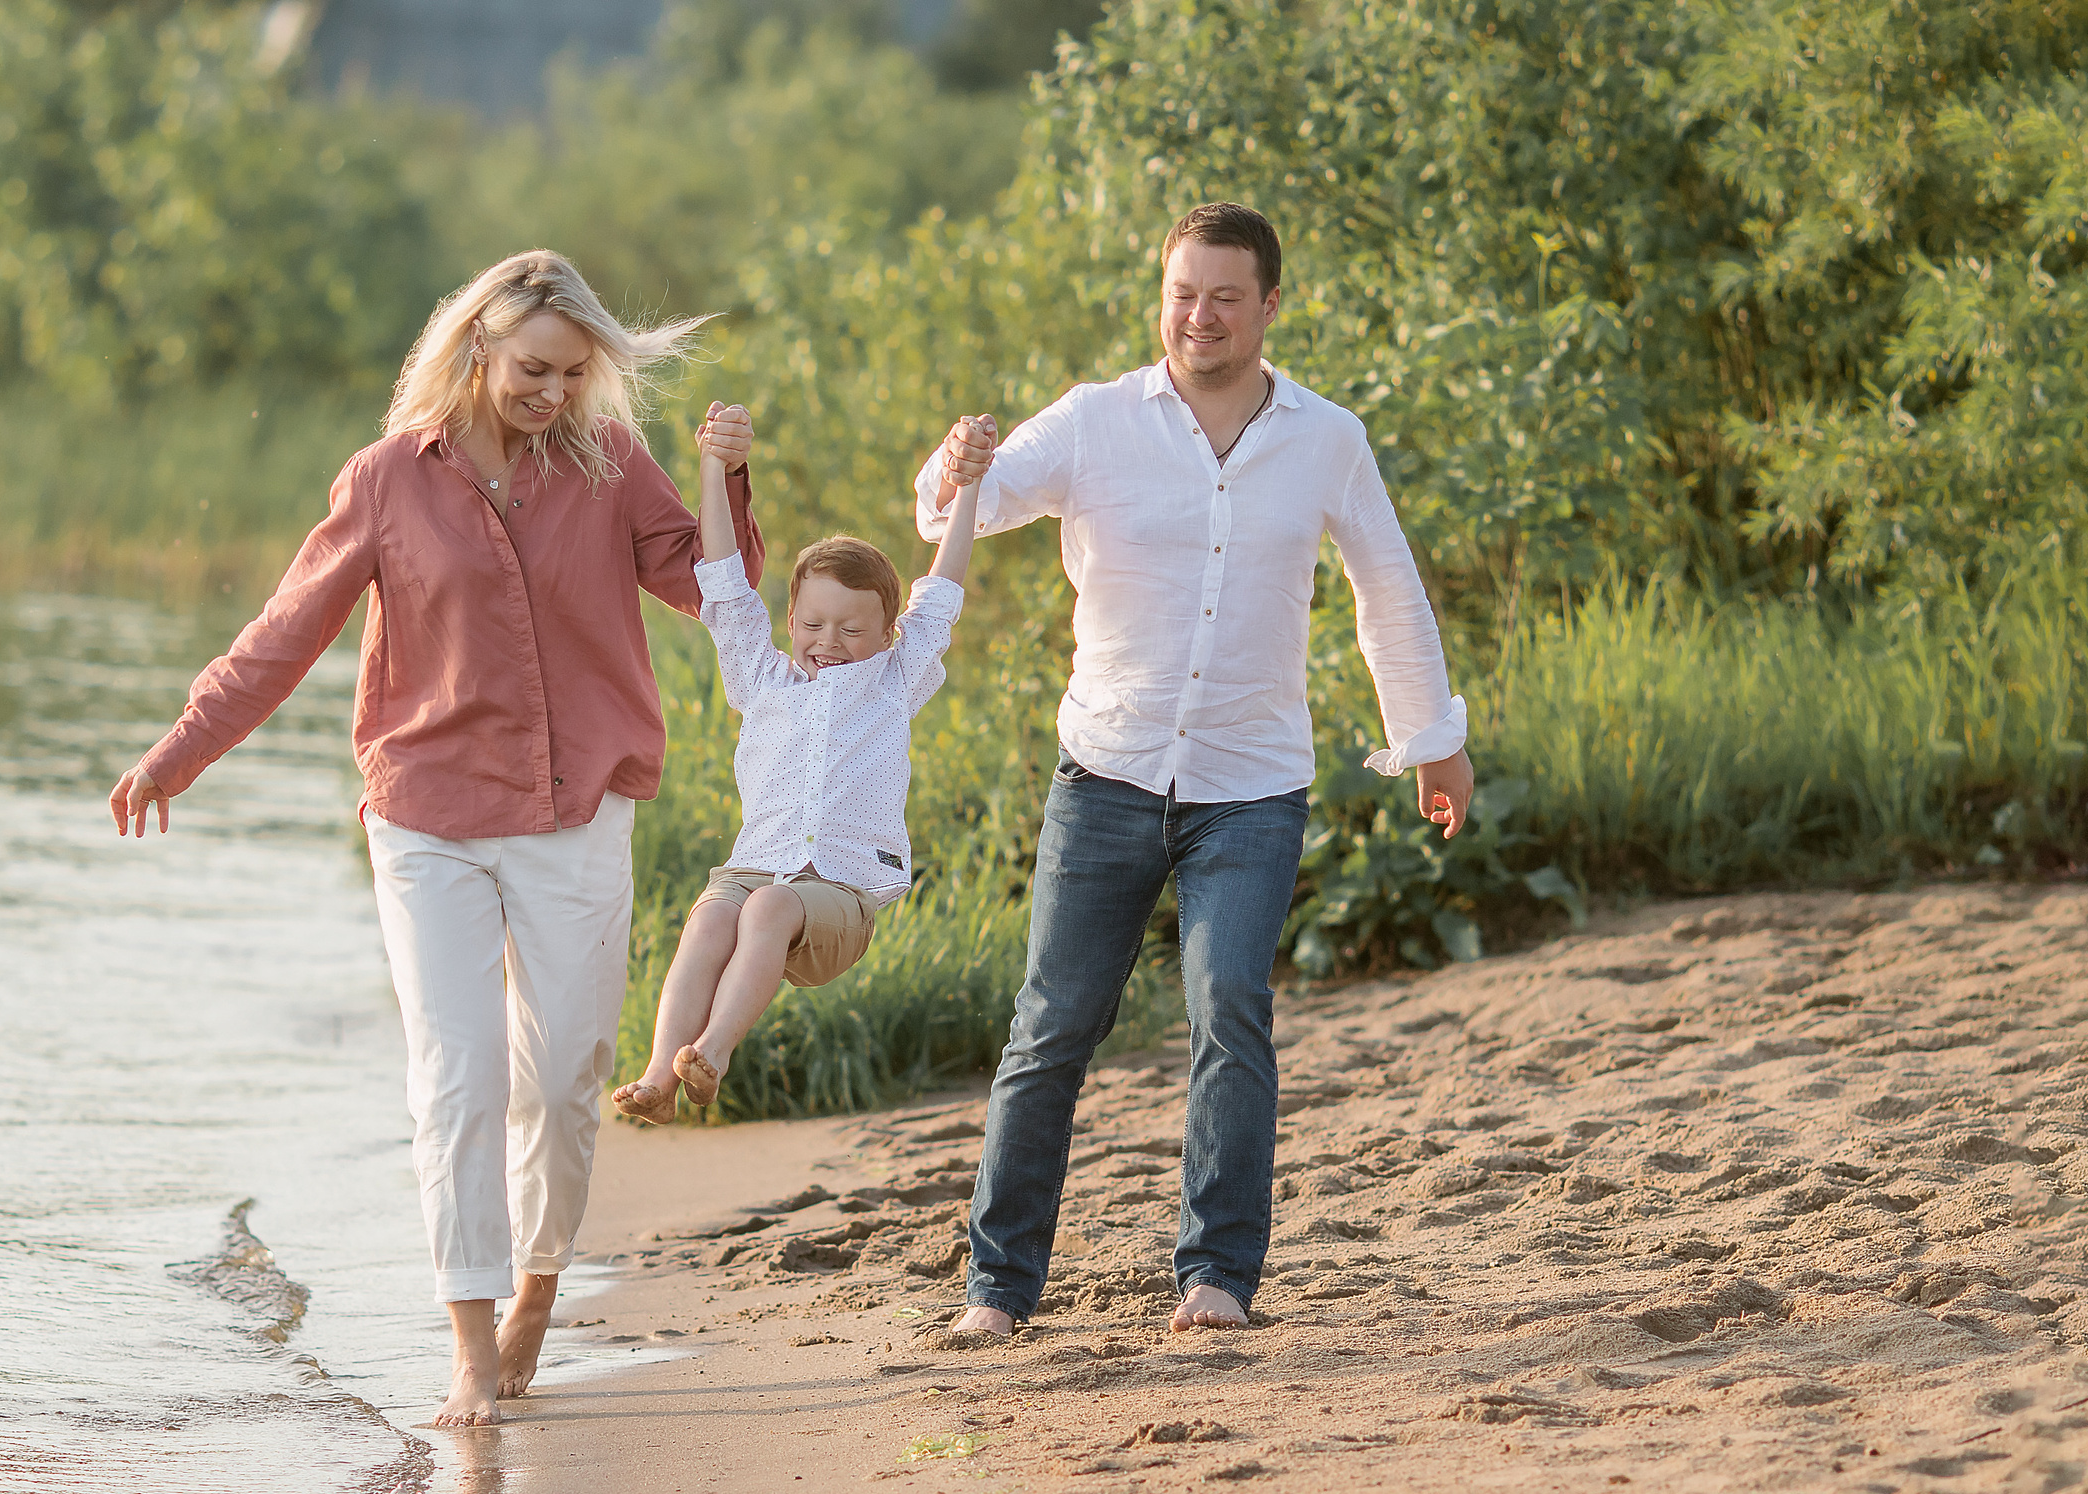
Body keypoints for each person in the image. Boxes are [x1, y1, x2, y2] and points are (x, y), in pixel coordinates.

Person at [108, 250, 765, 1427]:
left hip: (576, 811)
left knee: (563, 1075)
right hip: (428, 815)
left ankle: (537, 1289)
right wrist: (181, 747)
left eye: (572, 374)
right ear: (475, 349)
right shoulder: (382, 481)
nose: (551, 393)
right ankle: (467, 1345)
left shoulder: (612, 465)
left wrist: (727, 478)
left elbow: (716, 587)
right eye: (531, 369)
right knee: (456, 1078)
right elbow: (282, 634)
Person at [914, 202, 1474, 1341]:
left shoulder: (1327, 437)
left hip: (1252, 787)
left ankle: (1214, 1278)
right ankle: (996, 1291)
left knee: (1230, 1009)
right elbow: (949, 507)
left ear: (1270, 303)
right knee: (1050, 1030)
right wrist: (954, 461)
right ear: (1158, 295)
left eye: (1224, 295)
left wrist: (1432, 739)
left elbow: (1387, 590)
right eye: (1181, 292)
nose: (1199, 315)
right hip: (1105, 774)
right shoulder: (1090, 421)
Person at [612, 409, 989, 1122]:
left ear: (888, 633)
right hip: (758, 864)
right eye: (814, 625)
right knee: (711, 920)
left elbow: (942, 591)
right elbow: (723, 582)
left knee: (770, 905)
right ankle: (662, 1075)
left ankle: (713, 1053)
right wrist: (716, 468)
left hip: (840, 892)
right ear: (790, 622)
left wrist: (967, 484)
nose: (830, 642)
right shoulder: (762, 677)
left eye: (852, 629)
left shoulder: (894, 682)